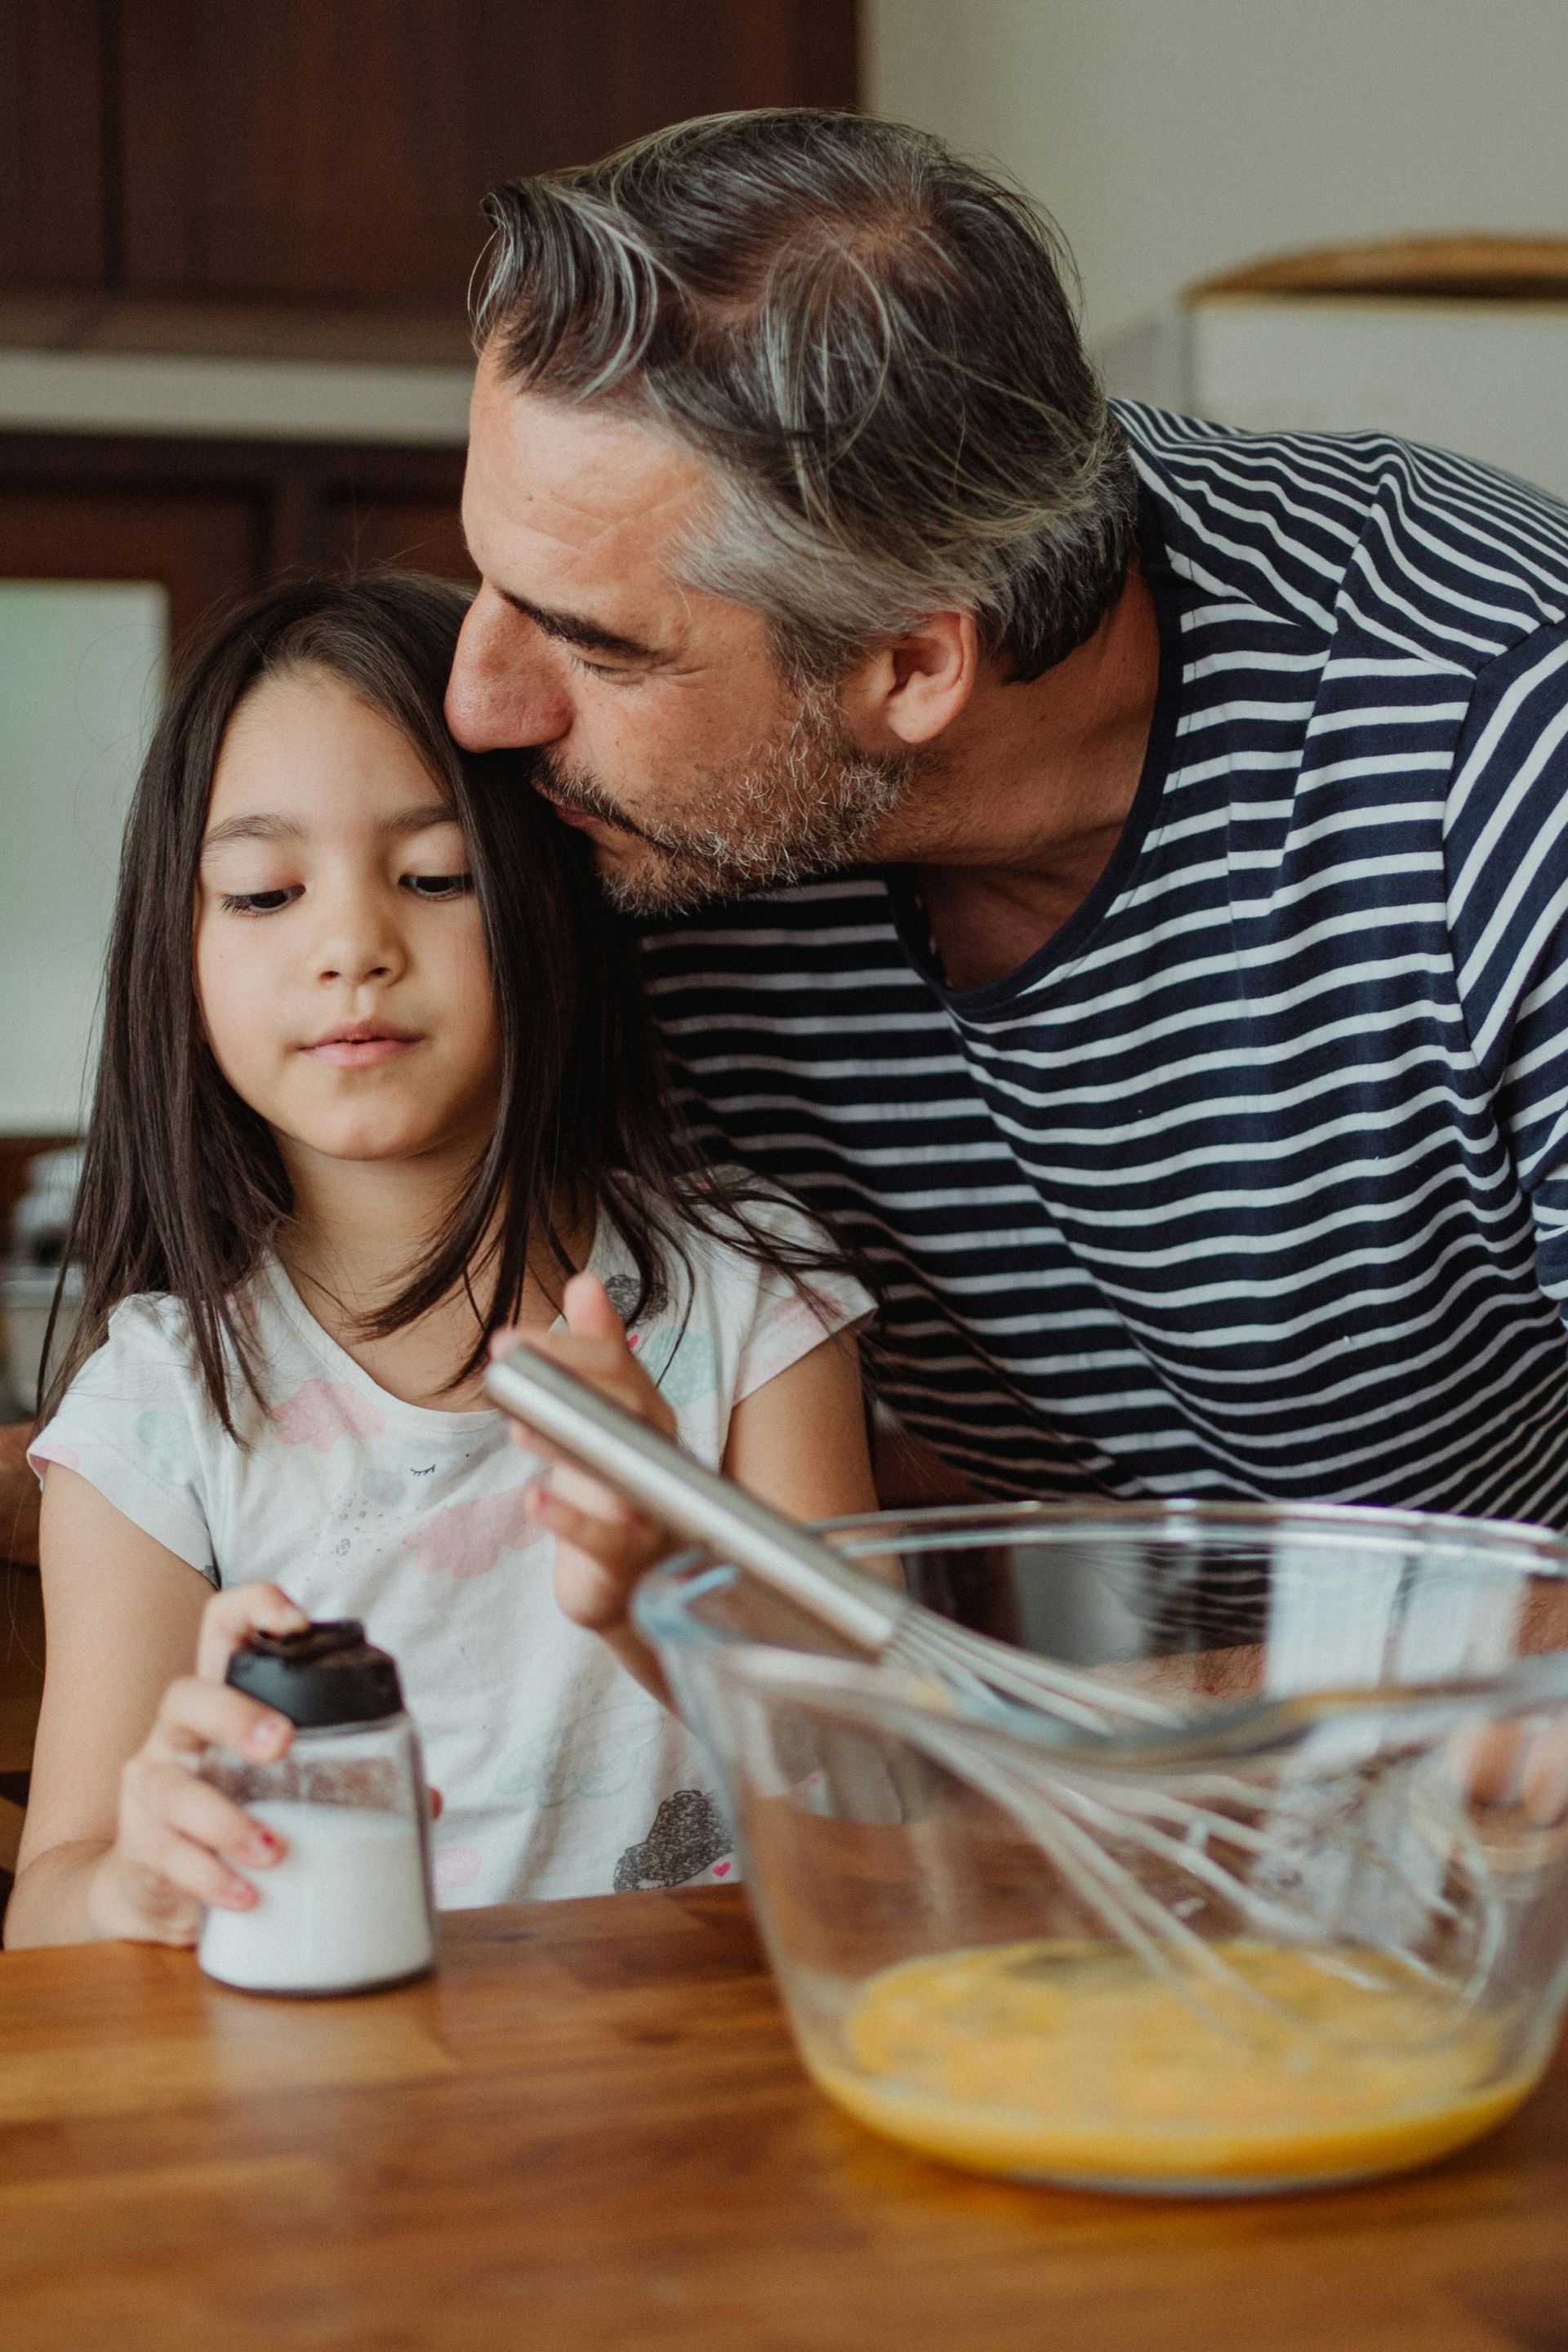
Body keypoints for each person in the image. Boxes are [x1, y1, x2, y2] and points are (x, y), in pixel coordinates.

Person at [439, 107, 1568, 1530]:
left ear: (912, 665)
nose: (479, 707)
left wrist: (1142, 1727)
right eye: (486, 577)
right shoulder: (636, 815)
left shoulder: (1507, 750)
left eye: (596, 647)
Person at [4, 573, 875, 1950]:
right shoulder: (158, 1407)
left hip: (718, 2092)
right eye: (264, 892)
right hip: (339, 2118)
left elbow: (876, 1788)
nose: (351, 946)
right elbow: (54, 1906)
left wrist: (667, 1594)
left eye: (433, 876)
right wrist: (139, 1879)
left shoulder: (752, 1297)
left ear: (547, 901)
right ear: (178, 952)